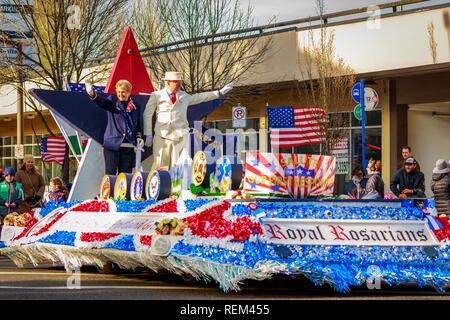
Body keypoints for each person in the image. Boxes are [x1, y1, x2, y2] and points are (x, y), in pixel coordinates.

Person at [143, 71, 233, 170]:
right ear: (168, 82)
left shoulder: (183, 95)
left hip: (180, 137)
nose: (179, 85)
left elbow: (199, 97)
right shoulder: (157, 95)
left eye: (180, 82)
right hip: (162, 137)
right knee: (160, 168)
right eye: (176, 82)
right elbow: (147, 114)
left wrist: (218, 93)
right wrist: (148, 134)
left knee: (177, 169)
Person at [86, 79, 144, 175]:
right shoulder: (112, 101)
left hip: (128, 145)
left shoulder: (135, 106)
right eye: (118, 92)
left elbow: (138, 124)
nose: (120, 94)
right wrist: (92, 94)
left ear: (129, 92)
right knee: (110, 175)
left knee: (125, 177)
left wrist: (138, 137)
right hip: (113, 144)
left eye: (123, 92)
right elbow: (101, 102)